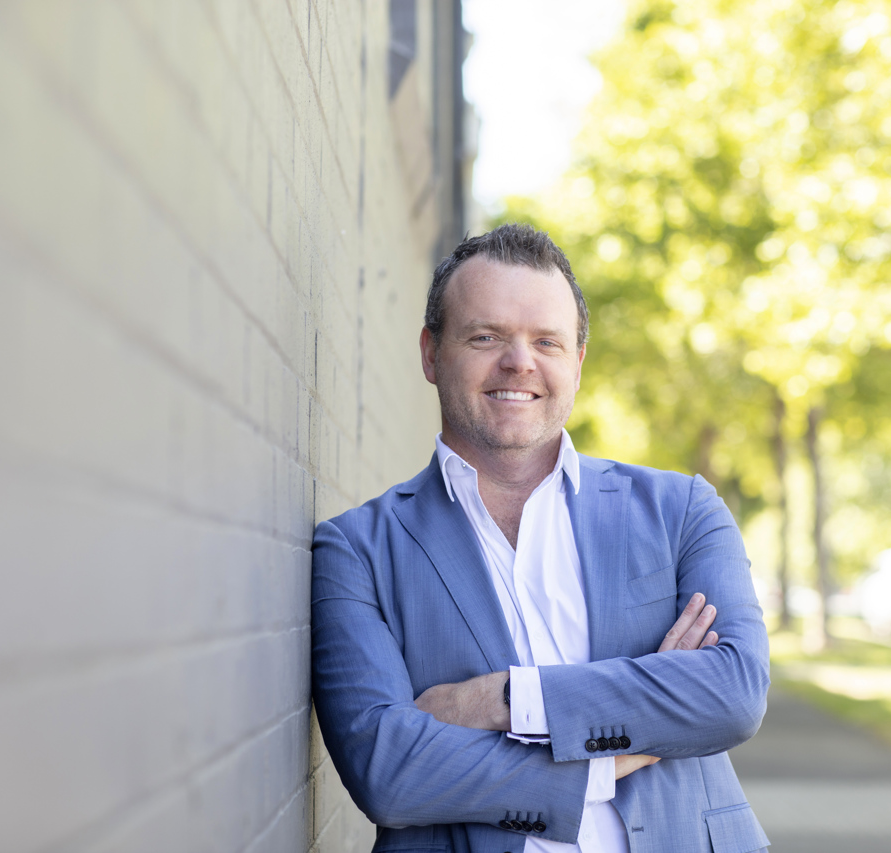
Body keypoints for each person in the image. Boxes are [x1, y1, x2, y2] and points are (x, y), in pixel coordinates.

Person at [311, 224, 770, 853]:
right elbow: (388, 773)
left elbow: (733, 692)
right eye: (486, 336)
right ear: (430, 353)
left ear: (576, 363)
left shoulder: (681, 509)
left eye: (546, 341)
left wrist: (507, 699)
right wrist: (610, 756)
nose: (519, 362)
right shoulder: (358, 551)